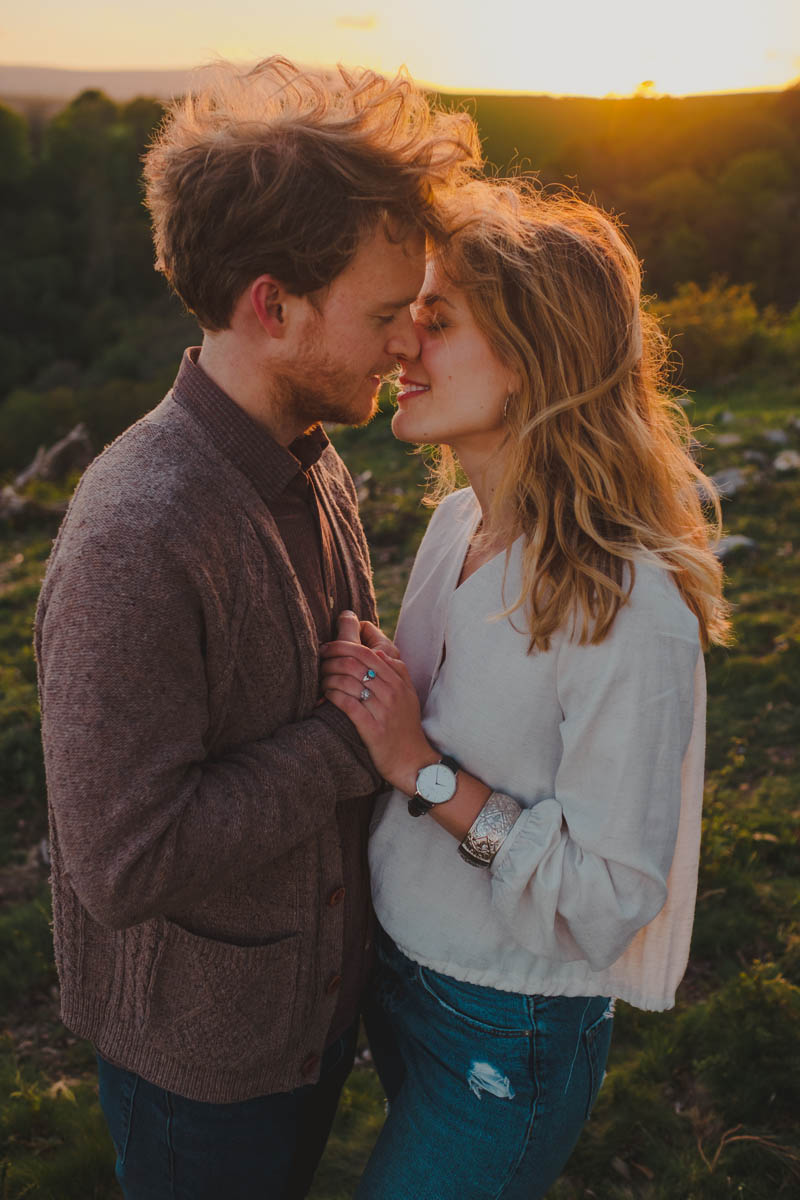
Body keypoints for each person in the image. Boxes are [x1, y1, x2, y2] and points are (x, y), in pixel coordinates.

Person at [34, 56, 479, 1200]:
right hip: (201, 1069)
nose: (404, 345)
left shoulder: (309, 454)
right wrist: (350, 747)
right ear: (271, 307)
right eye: (384, 315)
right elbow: (121, 864)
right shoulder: (137, 534)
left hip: (306, 1020)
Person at [320, 179, 730, 1198]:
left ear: (534, 354)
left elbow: (605, 900)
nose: (401, 346)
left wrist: (421, 771)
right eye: (409, 315)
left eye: (438, 320)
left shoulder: (628, 604)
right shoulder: (457, 523)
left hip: (505, 1027)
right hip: (399, 973)